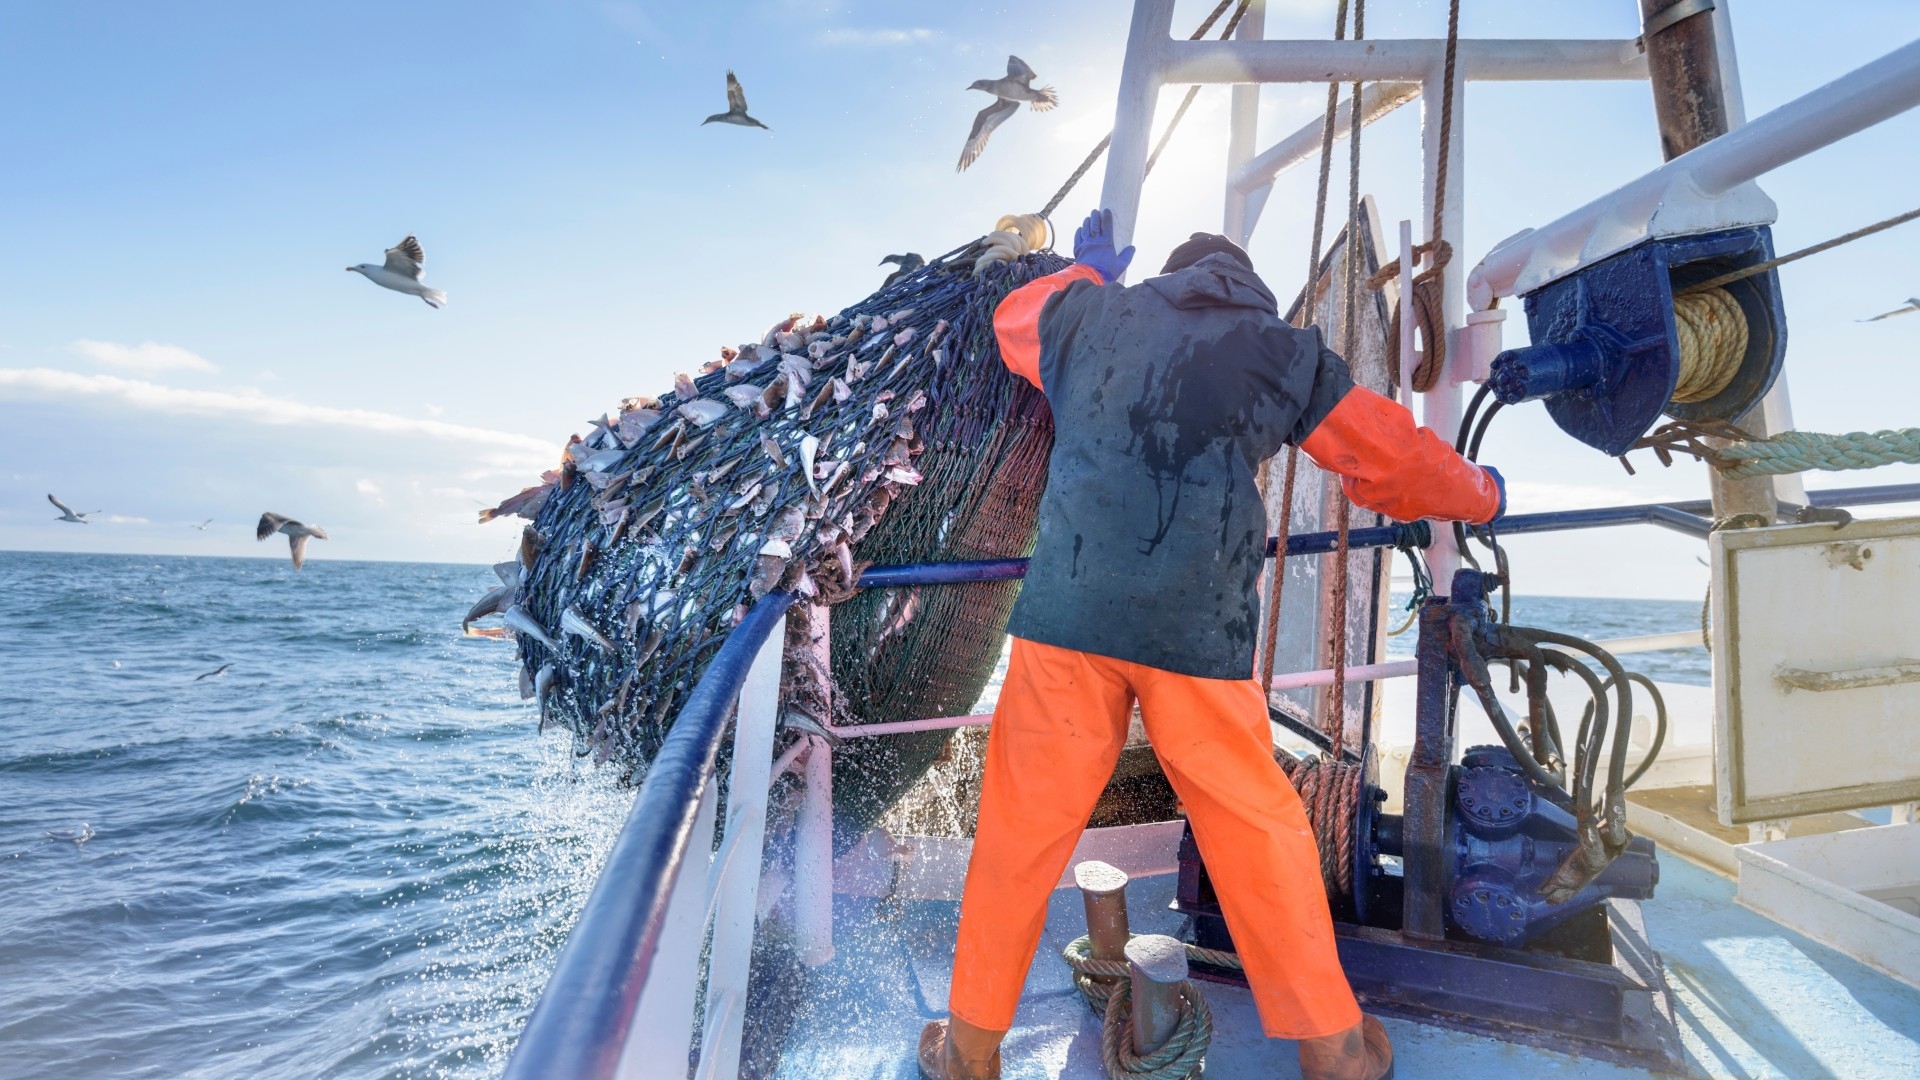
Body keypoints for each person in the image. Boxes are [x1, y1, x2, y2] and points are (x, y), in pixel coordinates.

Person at [916, 209, 1506, 1080]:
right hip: (1198, 638)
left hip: (1066, 623)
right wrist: (1481, 495)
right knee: (1258, 831)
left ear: (1167, 279)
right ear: (1249, 292)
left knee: (1019, 833)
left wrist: (1086, 275)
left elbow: (1013, 320)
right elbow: (1390, 458)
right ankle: (1335, 1049)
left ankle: (968, 1050)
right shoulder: (1280, 349)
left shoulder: (1091, 316)